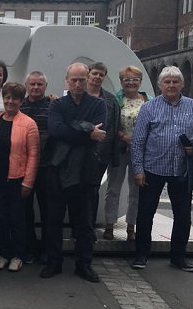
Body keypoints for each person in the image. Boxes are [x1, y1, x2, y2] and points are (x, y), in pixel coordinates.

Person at [131, 66, 193, 272]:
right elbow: (138, 141)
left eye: (175, 81)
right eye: (167, 82)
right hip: (153, 168)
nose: (171, 85)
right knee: (145, 213)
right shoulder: (149, 108)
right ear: (160, 85)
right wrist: (138, 169)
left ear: (182, 84)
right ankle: (141, 254)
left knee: (183, 216)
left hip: (182, 170)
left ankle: (178, 256)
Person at [40, 63, 107, 283]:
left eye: (81, 80)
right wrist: (87, 131)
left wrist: (72, 128)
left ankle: (83, 264)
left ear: (87, 80)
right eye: (74, 80)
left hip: (86, 170)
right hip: (58, 168)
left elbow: (100, 132)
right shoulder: (57, 104)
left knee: (85, 222)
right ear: (66, 81)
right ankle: (54, 261)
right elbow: (56, 130)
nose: (78, 84)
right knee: (54, 220)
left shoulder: (98, 104)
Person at [0, 82, 40, 272]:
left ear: (21, 101)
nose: (10, 101)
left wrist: (28, 182)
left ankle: (17, 255)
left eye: (15, 98)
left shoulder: (29, 124)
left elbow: (34, 155)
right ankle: (2, 254)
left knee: (17, 219)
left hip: (17, 179)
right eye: (7, 97)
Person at [103, 66, 149, 241]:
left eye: (135, 79)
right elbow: (110, 124)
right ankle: (109, 225)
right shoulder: (115, 100)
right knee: (113, 188)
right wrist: (124, 137)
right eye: (127, 79)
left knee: (136, 189)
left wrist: (135, 140)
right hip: (119, 149)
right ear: (121, 82)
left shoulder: (148, 100)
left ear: (140, 82)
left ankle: (131, 226)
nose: (131, 82)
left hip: (141, 151)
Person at [20, 71, 52, 264]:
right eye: (32, 84)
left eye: (40, 84)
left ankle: (47, 249)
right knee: (25, 211)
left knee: (48, 210)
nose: (36, 87)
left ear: (46, 87)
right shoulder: (19, 106)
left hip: (47, 165)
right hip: (23, 166)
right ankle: (29, 248)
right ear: (26, 86)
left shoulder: (53, 106)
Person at [87, 61, 121, 227]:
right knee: (77, 191)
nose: (98, 77)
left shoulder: (111, 100)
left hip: (101, 154)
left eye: (101, 75)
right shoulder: (77, 95)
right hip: (78, 152)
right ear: (88, 75)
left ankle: (90, 227)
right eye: (95, 73)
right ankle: (76, 227)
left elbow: (114, 127)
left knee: (93, 190)